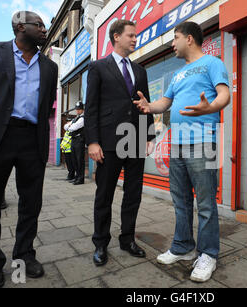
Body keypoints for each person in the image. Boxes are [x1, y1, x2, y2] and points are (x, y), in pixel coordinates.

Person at [0, 11, 58, 288]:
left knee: (31, 203)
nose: (44, 30)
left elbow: (46, 105)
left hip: (32, 140)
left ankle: (24, 255)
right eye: (38, 25)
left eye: (45, 26)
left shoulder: (49, 68)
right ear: (19, 27)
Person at [134, 22, 230, 282]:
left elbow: (224, 95)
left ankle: (208, 253)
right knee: (181, 201)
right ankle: (183, 247)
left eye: (175, 38)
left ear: (189, 38)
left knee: (207, 203)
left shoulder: (212, 63)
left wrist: (209, 108)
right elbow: (164, 103)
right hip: (177, 145)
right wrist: (148, 106)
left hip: (203, 143)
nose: (172, 44)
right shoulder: (177, 74)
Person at [85, 19, 156, 267]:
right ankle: (101, 243)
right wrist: (92, 142)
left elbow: (145, 104)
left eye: (135, 36)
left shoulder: (140, 70)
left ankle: (127, 239)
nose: (135, 39)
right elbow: (91, 108)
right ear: (116, 37)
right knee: (104, 194)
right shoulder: (97, 68)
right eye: (131, 35)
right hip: (108, 142)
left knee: (133, 194)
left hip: (135, 139)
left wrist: (148, 136)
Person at [65, 101, 85, 185]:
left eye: (79, 109)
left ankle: (81, 178)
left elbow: (74, 127)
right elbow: (65, 127)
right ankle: (77, 177)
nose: (77, 111)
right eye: (77, 109)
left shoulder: (83, 118)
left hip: (79, 140)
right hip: (73, 140)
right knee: (74, 160)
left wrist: (70, 126)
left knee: (79, 160)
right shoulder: (76, 118)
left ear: (82, 109)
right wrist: (70, 126)